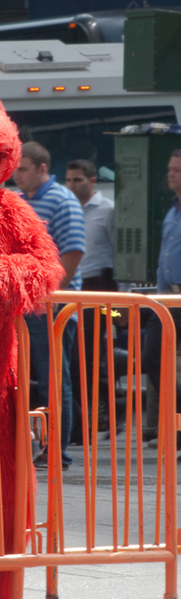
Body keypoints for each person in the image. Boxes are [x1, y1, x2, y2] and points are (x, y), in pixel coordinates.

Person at [13, 142, 85, 471]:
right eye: (15, 168)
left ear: (43, 169)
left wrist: (48, 297)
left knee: (54, 379)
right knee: (30, 378)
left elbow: (72, 253)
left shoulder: (62, 200)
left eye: (23, 169)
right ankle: (34, 445)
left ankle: (58, 451)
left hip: (51, 306)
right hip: (25, 305)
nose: (17, 175)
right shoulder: (18, 200)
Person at [65, 160, 118, 441]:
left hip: (98, 288)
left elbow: (118, 253)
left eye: (78, 180)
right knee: (74, 359)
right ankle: (81, 424)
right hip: (73, 288)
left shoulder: (107, 211)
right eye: (69, 180)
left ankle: (99, 420)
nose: (72, 186)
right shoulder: (67, 208)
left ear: (93, 181)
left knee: (90, 357)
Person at [143, 149, 181, 442]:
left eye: (177, 170)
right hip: (167, 300)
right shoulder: (172, 210)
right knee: (152, 359)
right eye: (170, 169)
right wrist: (158, 294)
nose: (170, 174)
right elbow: (164, 256)